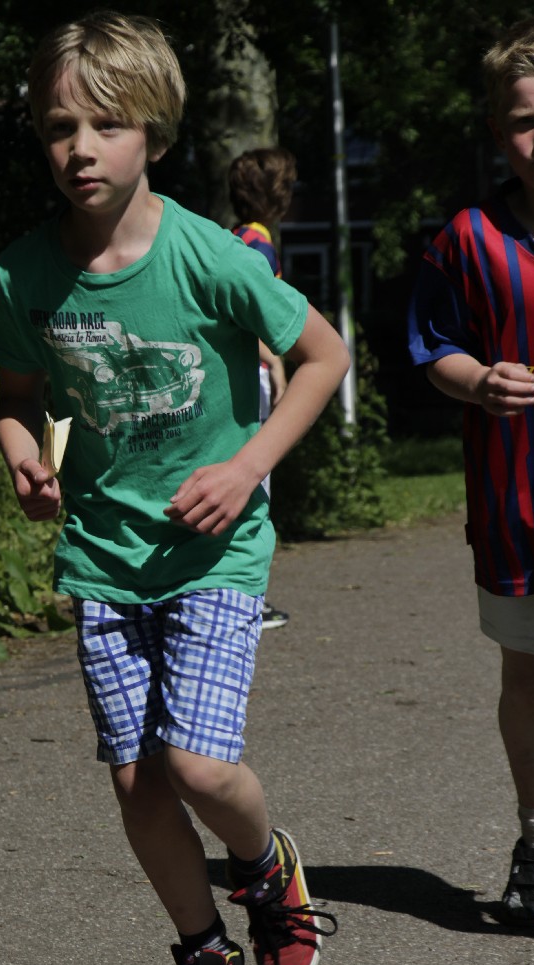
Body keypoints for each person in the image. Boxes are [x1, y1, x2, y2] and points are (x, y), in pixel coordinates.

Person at [0, 10, 346, 965]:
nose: (81, 148)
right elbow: (19, 397)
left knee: (196, 767)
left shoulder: (208, 258)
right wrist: (24, 456)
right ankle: (205, 959)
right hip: (104, 556)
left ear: (155, 133)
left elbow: (322, 357)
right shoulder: (22, 276)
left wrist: (244, 468)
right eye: (61, 127)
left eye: (107, 125)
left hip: (214, 549)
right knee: (137, 780)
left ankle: (270, 880)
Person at [408, 14, 534, 930]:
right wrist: (478, 381)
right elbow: (434, 346)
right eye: (526, 121)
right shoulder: (467, 238)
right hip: (518, 505)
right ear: (501, 133)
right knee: (530, 673)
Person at [229, 146, 298, 630]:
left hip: (236, 376)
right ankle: (251, 597)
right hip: (250, 377)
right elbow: (249, 315)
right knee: (256, 485)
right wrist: (275, 364)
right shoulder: (258, 244)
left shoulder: (236, 236)